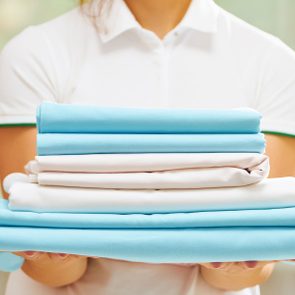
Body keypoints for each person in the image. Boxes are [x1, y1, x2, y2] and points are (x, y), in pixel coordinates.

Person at [0, 0, 295, 294]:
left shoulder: (272, 61)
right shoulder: (34, 53)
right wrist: (52, 252)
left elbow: (258, 247)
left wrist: (239, 260)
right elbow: (42, 253)